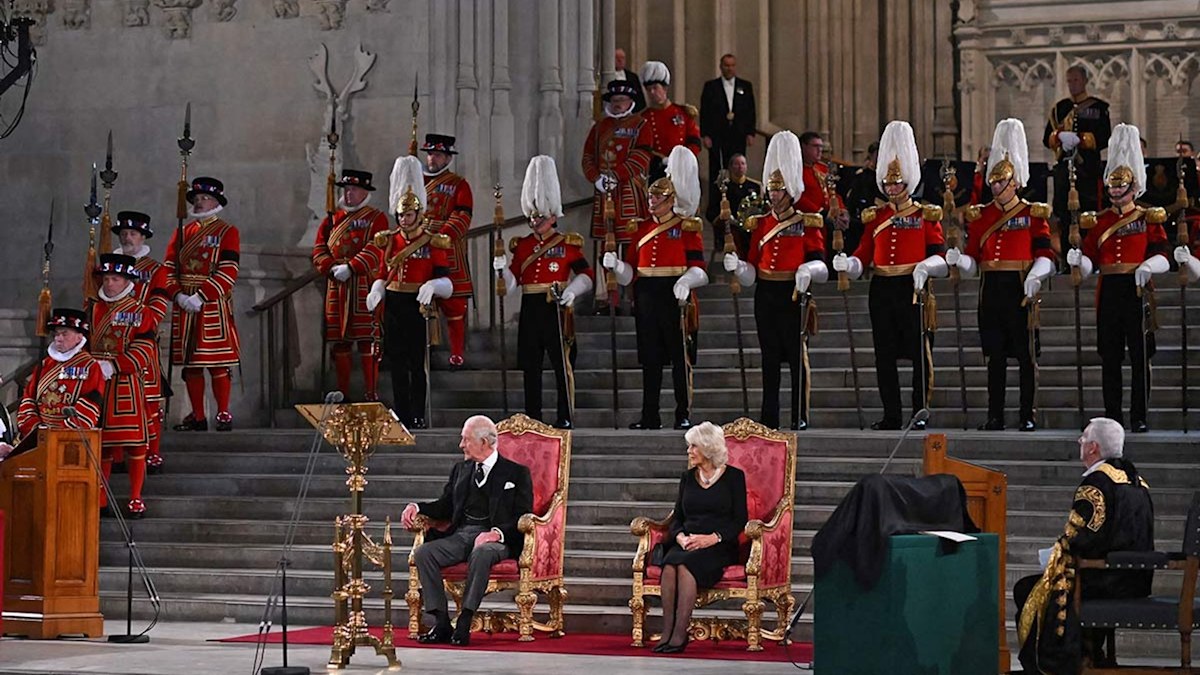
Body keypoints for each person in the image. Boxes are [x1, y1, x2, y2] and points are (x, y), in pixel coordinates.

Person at [1014, 417, 1153, 671]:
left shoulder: (1096, 483)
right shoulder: (1138, 481)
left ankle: (1054, 665)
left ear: (1093, 448)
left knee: (1027, 588)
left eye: (1084, 438)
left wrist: (1053, 556)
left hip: (1105, 580)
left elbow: (1081, 538)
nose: (1080, 441)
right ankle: (1090, 654)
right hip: (1135, 579)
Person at [833, 121, 946, 430]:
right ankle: (892, 414)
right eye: (889, 183)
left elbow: (941, 256)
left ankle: (919, 411)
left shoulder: (925, 214)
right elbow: (864, 253)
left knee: (919, 355)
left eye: (897, 183)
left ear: (907, 183)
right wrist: (850, 266)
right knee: (884, 356)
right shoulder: (876, 217)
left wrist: (926, 267)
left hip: (912, 287)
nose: (892, 188)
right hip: (882, 287)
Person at [949, 119, 1055, 431]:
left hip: (1019, 287)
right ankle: (995, 415)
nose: (996, 187)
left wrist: (1036, 275)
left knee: (1025, 357)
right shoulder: (981, 217)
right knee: (994, 357)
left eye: (1002, 182)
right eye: (993, 182)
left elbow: (1046, 253)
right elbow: (974, 259)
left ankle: (1026, 414)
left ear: (1015, 182)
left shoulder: (1033, 213)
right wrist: (960, 261)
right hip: (991, 289)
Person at [723, 131, 827, 430]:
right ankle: (769, 418)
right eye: (771, 189)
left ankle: (799, 415)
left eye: (779, 190)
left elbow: (821, 261)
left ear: (790, 190)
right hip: (766, 293)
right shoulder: (761, 223)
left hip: (793, 293)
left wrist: (808, 271)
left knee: (796, 358)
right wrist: (740, 267)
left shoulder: (806, 221)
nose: (773, 195)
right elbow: (755, 268)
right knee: (769, 358)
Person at [1070, 124, 1170, 433]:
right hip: (1109, 290)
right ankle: (1113, 414)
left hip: (1137, 289)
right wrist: (1080, 263)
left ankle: (1138, 415)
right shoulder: (1099, 222)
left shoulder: (1146, 217)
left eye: (1120, 187)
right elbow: (1090, 257)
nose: (1115, 192)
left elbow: (1163, 253)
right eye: (1112, 187)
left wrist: (1148, 266)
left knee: (1139, 357)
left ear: (1132, 187)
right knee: (1109, 357)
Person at [402, 415, 534, 647]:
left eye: (465, 440)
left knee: (482, 553)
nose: (461, 445)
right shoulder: (461, 469)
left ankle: (464, 620)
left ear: (485, 442)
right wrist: (418, 506)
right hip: (462, 534)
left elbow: (523, 515)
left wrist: (495, 534)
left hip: (497, 539)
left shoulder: (516, 473)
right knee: (425, 553)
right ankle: (442, 622)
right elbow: (445, 506)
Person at [604, 146, 708, 430]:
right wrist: (615, 266)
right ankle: (650, 414)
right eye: (650, 195)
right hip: (646, 294)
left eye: (657, 196)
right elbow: (630, 276)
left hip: (674, 293)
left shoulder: (687, 227)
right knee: (649, 359)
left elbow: (701, 268)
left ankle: (682, 412)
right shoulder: (639, 229)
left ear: (670, 198)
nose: (651, 200)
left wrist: (687, 280)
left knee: (678, 357)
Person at [494, 155, 594, 429]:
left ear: (553, 215)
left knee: (562, 365)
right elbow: (512, 284)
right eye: (533, 215)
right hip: (530, 306)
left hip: (556, 305)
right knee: (531, 365)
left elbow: (587, 275)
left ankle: (565, 414)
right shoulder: (522, 246)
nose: (535, 220)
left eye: (541, 215)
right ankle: (532, 415)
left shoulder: (567, 244)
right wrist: (501, 270)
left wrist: (572, 291)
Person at [366, 156, 453, 430]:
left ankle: (417, 414)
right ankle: (401, 413)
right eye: (401, 215)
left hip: (418, 304)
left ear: (419, 214)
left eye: (409, 214)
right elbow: (383, 273)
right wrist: (376, 290)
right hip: (394, 303)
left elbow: (446, 282)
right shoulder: (390, 241)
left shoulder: (432, 241)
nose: (404, 219)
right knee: (396, 362)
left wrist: (432, 286)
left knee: (417, 364)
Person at [654, 421, 747, 654]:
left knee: (685, 565)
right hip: (687, 542)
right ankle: (667, 632)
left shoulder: (734, 477)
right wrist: (680, 538)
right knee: (669, 565)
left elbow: (739, 520)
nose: (689, 451)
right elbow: (677, 518)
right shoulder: (687, 477)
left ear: (707, 448)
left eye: (693, 446)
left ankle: (679, 634)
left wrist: (712, 538)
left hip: (719, 545)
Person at [163, 176, 241, 431]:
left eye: (203, 199)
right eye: (195, 199)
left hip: (212, 304)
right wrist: (178, 295)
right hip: (185, 303)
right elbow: (168, 268)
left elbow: (229, 270)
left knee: (217, 363)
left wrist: (202, 296)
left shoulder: (227, 232)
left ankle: (223, 413)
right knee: (191, 364)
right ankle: (197, 415)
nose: (198, 203)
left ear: (216, 201)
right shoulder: (182, 233)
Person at [89, 253, 160, 518]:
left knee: (134, 444)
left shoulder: (141, 312)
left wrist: (116, 365)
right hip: (96, 385)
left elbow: (145, 350)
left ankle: (135, 497)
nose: (109, 284)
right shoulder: (93, 308)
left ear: (127, 281)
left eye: (115, 279)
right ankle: (101, 497)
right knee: (103, 444)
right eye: (106, 278)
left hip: (126, 386)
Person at [311, 169, 390, 401]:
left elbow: (378, 248)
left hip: (364, 285)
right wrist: (330, 267)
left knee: (368, 340)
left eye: (353, 189)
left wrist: (353, 266)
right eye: (346, 189)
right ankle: (342, 393)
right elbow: (318, 249)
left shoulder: (377, 218)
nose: (348, 194)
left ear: (365, 191)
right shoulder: (331, 219)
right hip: (337, 286)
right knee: (340, 342)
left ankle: (370, 392)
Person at [581, 79, 653, 296]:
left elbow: (642, 156)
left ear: (631, 101)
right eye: (614, 100)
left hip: (629, 192)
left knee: (631, 244)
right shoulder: (599, 127)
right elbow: (587, 157)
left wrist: (616, 176)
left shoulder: (641, 125)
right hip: (603, 195)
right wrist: (596, 178)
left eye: (622, 100)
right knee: (606, 247)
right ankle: (608, 297)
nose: (618, 104)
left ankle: (632, 296)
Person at [111, 210, 171, 474]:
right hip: (111, 345)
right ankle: (116, 454)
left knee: (149, 402)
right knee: (113, 402)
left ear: (143, 236)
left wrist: (130, 319)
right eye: (123, 233)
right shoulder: (107, 267)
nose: (127, 238)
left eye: (132, 233)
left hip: (141, 343)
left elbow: (157, 310)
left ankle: (152, 453)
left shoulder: (156, 270)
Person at [1043, 65, 1111, 259]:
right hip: (1065, 170)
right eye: (1069, 81)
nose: (1072, 85)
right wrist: (1059, 137)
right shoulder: (1060, 108)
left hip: (1087, 171)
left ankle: (1089, 257)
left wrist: (1080, 139)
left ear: (1084, 81)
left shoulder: (1098, 108)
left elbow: (1105, 136)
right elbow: (1046, 138)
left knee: (1088, 214)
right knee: (1064, 216)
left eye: (1076, 80)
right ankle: (1066, 258)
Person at [421, 134, 474, 368]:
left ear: (447, 158)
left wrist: (442, 234)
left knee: (454, 303)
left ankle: (456, 351)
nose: (432, 159)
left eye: (438, 155)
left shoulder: (458, 184)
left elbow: (463, 215)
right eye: (430, 154)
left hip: (448, 246)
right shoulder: (416, 180)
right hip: (419, 247)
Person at [16, 308, 105, 438]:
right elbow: (29, 398)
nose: (59, 338)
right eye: (56, 334)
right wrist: (36, 430)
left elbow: (90, 405)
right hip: (39, 437)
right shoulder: (45, 364)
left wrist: (60, 435)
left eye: (65, 334)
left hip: (70, 438)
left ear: (79, 337)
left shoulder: (90, 367)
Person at [699, 54, 757, 200]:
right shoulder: (711, 86)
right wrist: (705, 134)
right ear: (721, 67)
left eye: (732, 65)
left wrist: (750, 133)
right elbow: (704, 111)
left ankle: (737, 201)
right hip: (717, 136)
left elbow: (751, 110)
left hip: (738, 135)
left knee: (738, 168)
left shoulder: (745, 86)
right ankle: (716, 204)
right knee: (717, 170)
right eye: (726, 65)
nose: (729, 68)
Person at [640, 61, 702, 183]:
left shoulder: (683, 113)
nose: (652, 93)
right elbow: (643, 147)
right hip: (657, 171)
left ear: (665, 88)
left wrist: (682, 159)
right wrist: (660, 160)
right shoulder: (644, 117)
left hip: (683, 170)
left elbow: (695, 140)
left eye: (655, 88)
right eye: (649, 90)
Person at [793, 131, 849, 261]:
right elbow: (797, 197)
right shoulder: (796, 170)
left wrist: (842, 210)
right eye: (815, 146)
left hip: (829, 222)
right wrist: (822, 212)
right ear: (803, 147)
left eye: (821, 147)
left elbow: (833, 193)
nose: (819, 150)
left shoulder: (822, 169)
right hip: (808, 225)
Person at [704, 153, 762, 257]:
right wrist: (723, 217)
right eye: (737, 164)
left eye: (743, 164)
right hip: (731, 228)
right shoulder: (722, 187)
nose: (740, 167)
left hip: (751, 226)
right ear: (730, 167)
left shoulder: (755, 186)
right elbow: (711, 212)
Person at [840, 141, 882, 256]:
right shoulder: (862, 176)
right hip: (862, 219)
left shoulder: (886, 177)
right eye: (877, 155)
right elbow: (853, 200)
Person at [613, 47, 646, 112]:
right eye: (617, 58)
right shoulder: (605, 76)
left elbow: (640, 98)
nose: (620, 60)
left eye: (622, 58)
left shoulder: (633, 77)